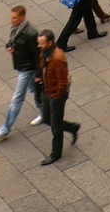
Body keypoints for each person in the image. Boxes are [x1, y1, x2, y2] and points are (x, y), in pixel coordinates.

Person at [0, 5, 40, 142]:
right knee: (34, 89)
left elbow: (37, 55)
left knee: (17, 98)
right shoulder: (16, 30)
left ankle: (5, 129)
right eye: (11, 17)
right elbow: (11, 42)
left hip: (27, 69)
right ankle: (44, 113)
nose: (11, 20)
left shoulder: (30, 34)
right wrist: (9, 46)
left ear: (22, 18)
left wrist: (39, 74)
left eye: (14, 18)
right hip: (20, 65)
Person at [36, 28, 80, 165]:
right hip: (46, 90)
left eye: (41, 43)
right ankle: (72, 127)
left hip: (56, 95)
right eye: (39, 43)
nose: (39, 46)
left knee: (55, 125)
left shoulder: (57, 57)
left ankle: (56, 153)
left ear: (50, 43)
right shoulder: (44, 53)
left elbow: (63, 81)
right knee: (46, 118)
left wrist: (56, 97)